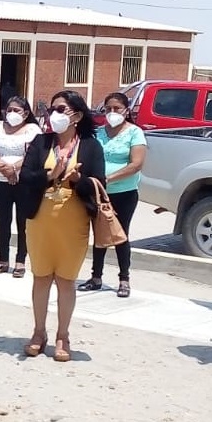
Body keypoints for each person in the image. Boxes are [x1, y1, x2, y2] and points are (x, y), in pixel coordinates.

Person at [20, 90, 105, 362]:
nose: (54, 114)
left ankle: (63, 335)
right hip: (41, 219)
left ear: (77, 116)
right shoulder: (41, 142)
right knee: (41, 277)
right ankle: (38, 332)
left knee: (66, 281)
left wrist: (79, 179)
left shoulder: (91, 146)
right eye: (52, 109)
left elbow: (100, 183)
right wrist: (51, 174)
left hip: (74, 221)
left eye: (61, 109)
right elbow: (26, 177)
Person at [77, 93, 147, 298]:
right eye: (108, 109)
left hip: (123, 192)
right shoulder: (99, 133)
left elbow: (136, 164)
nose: (112, 113)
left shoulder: (135, 133)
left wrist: (109, 178)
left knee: (119, 234)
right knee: (99, 233)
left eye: (117, 108)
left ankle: (124, 279)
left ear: (126, 110)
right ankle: (96, 276)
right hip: (98, 192)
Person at [0, 96, 41, 277]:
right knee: (3, 221)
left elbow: (33, 154)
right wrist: (5, 170)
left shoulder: (32, 129)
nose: (12, 113)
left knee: (23, 223)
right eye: (9, 110)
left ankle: (20, 261)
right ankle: (3, 260)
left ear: (26, 113)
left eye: (17, 110)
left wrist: (14, 169)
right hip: (0, 181)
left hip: (24, 182)